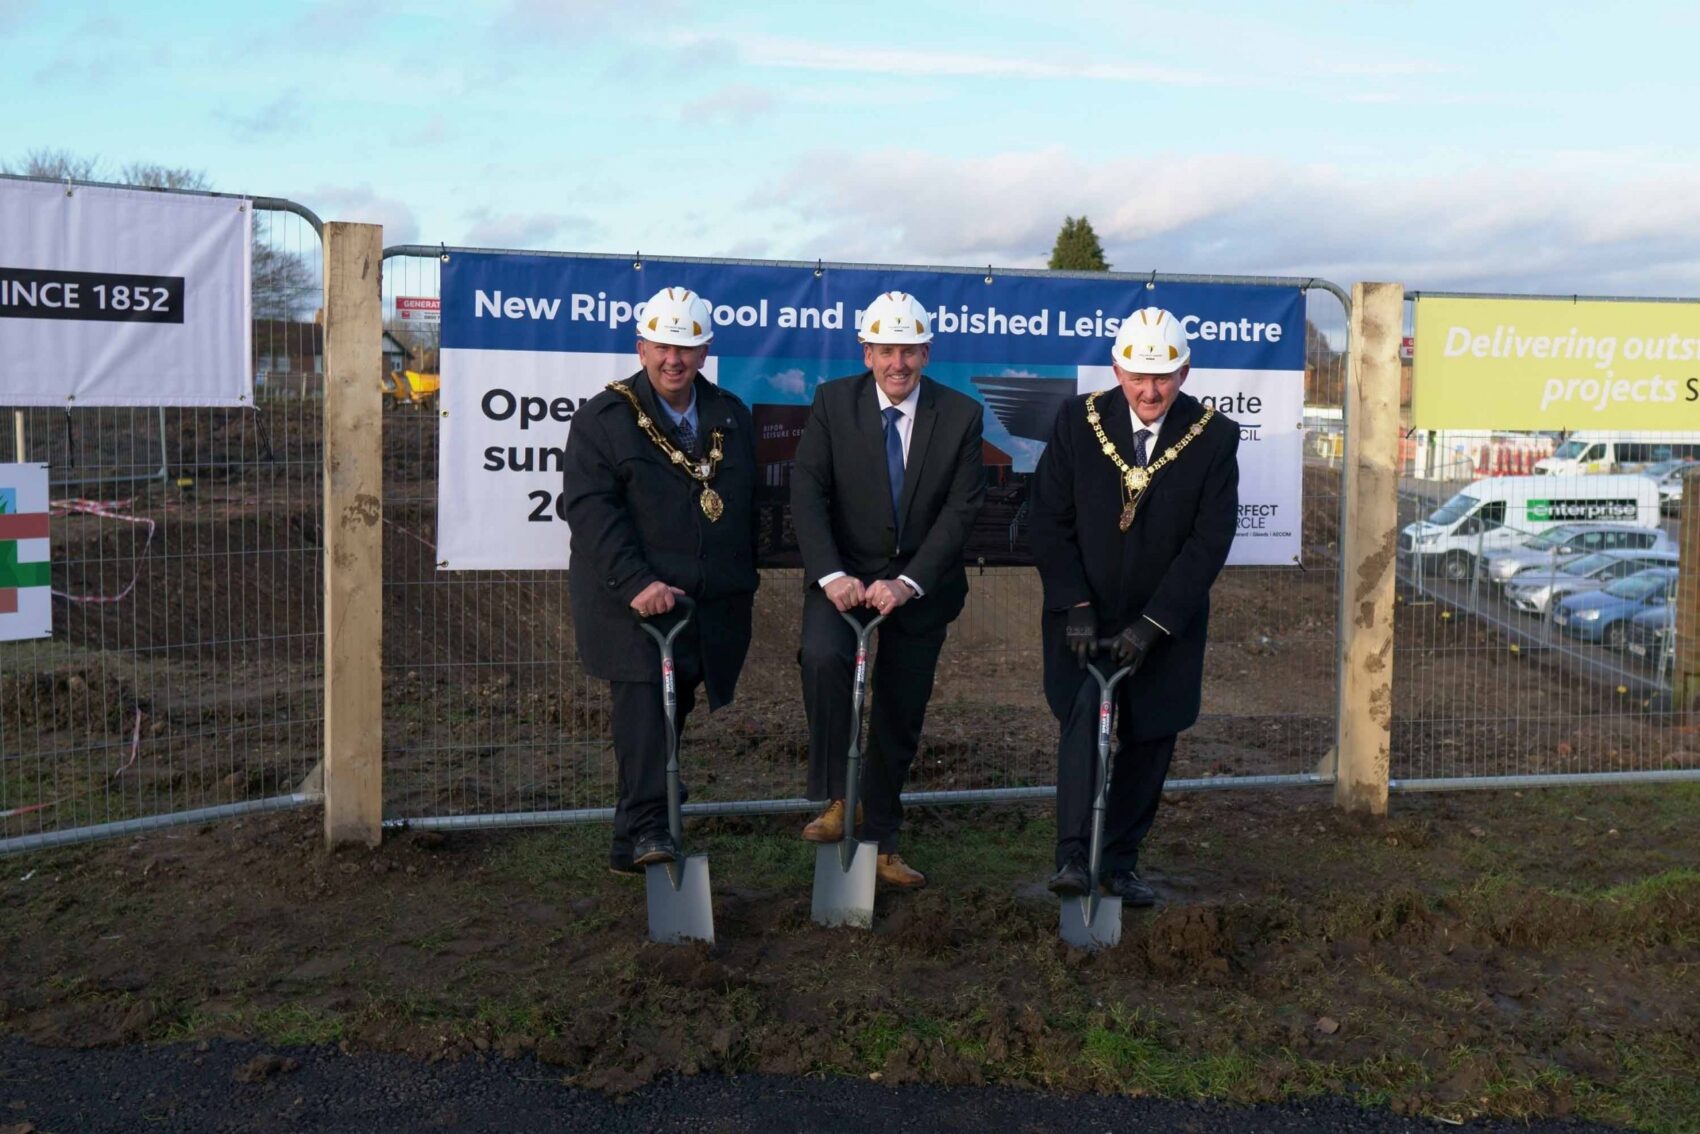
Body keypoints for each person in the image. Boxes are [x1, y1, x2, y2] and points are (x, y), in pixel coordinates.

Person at [1029, 306, 1239, 906]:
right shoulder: (1077, 420)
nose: (1150, 391)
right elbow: (1048, 517)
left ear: (1186, 372)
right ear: (1117, 370)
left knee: (1150, 737)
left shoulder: (1215, 436)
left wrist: (1153, 626)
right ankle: (1073, 857)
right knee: (1080, 724)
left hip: (1163, 624)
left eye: (1164, 377)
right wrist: (1074, 602)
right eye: (1138, 377)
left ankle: (1120, 862)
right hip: (1082, 617)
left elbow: (1209, 540)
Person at [790, 290, 986, 890]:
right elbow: (808, 492)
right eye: (884, 350)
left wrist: (907, 583)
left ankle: (881, 839)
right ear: (866, 352)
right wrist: (832, 576)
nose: (896, 363)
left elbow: (960, 511)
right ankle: (836, 798)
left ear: (926, 353)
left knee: (900, 709)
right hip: (842, 584)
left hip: (918, 589)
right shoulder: (832, 404)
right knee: (823, 659)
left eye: (908, 350)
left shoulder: (959, 415)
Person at [563, 286, 759, 874]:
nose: (674, 359)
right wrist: (636, 583)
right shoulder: (605, 418)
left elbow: (744, 503)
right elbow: (590, 509)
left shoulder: (730, 414)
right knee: (646, 708)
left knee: (672, 712)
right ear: (642, 345)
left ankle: (635, 833)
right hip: (634, 602)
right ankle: (651, 826)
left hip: (706, 603)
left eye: (688, 346)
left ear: (705, 351)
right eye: (663, 346)